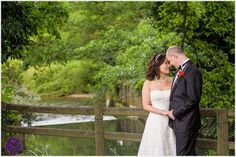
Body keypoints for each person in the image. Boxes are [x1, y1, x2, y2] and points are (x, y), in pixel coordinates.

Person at [166, 46, 202, 155]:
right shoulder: (182, 70)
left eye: (170, 60)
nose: (170, 64)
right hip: (181, 122)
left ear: (174, 55)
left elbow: (193, 99)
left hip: (187, 122)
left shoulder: (192, 71)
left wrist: (175, 112)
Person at [138, 53, 176, 156]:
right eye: (165, 63)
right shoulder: (148, 83)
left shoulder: (174, 81)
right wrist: (164, 112)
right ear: (157, 65)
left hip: (171, 121)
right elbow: (146, 105)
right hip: (155, 121)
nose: (169, 65)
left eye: (169, 62)